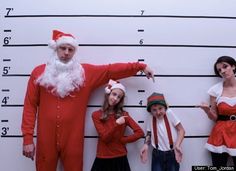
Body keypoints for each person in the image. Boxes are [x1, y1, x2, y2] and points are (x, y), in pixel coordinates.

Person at [21, 29, 154, 171]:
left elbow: (110, 70)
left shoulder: (84, 73)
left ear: (74, 52)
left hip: (73, 140)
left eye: (70, 49)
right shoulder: (39, 73)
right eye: (63, 48)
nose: (66, 52)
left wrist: (140, 67)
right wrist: (28, 138)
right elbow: (30, 106)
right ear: (55, 48)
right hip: (45, 140)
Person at [91, 79, 144, 171]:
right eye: (114, 94)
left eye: (119, 97)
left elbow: (140, 132)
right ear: (108, 94)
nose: (115, 99)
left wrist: (123, 140)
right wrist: (116, 124)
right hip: (103, 158)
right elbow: (105, 138)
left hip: (120, 158)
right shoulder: (96, 115)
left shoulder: (124, 115)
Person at [200, 56, 236, 166]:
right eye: (220, 70)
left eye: (225, 67)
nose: (223, 71)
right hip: (220, 134)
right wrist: (207, 110)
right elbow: (215, 117)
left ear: (233, 66)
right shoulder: (214, 90)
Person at [140, 92, 185, 171]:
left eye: (160, 108)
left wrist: (177, 145)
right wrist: (146, 145)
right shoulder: (151, 117)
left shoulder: (169, 113)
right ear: (150, 111)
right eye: (154, 110)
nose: (158, 112)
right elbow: (149, 133)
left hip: (172, 153)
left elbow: (181, 130)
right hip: (157, 154)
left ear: (165, 107)